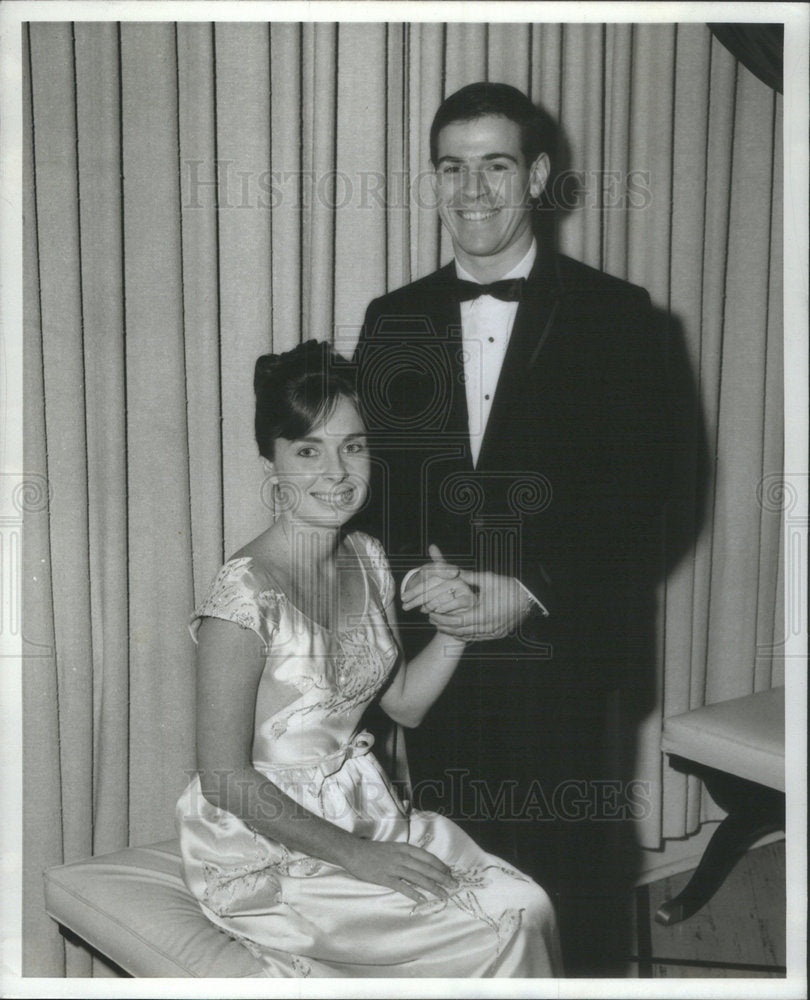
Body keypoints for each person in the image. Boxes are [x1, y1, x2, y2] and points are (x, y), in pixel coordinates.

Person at [353, 82, 669, 974]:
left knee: (572, 887)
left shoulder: (619, 316)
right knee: (462, 880)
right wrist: (422, 583)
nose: (473, 189)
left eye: (495, 165)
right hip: (440, 654)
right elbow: (377, 495)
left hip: (566, 648)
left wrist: (531, 591)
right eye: (452, 167)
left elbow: (647, 492)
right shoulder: (393, 318)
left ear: (535, 175)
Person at [175, 339, 562, 978]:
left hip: (363, 810)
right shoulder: (241, 598)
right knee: (502, 921)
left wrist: (457, 626)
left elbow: (404, 705)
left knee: (527, 903)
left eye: (352, 446)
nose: (337, 472)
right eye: (308, 450)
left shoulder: (368, 559)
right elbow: (223, 777)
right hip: (264, 845)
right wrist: (357, 857)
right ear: (269, 463)